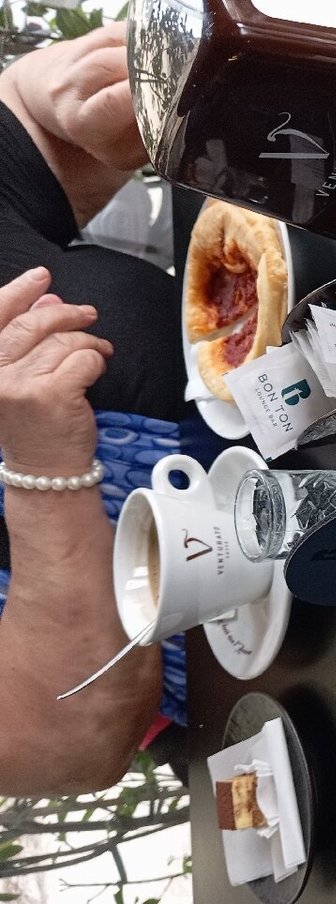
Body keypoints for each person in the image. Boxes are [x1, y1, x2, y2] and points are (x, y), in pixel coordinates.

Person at [0, 22, 190, 796]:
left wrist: (69, 100)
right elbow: (67, 746)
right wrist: (43, 464)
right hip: (308, 659)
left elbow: (34, 117)